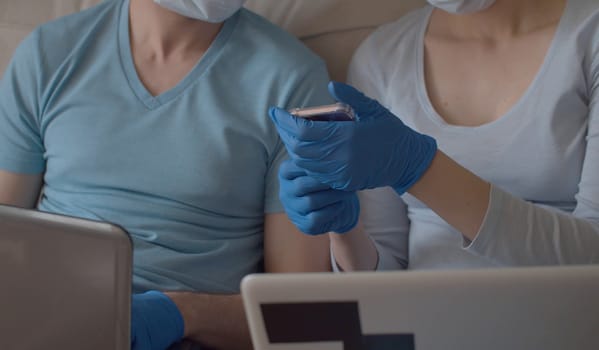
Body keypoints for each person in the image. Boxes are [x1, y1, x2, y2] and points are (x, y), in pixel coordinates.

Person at [0, 0, 333, 349]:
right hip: (47, 325)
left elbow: (298, 317)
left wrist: (184, 313)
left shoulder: (293, 82)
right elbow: (7, 240)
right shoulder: (49, 54)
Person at [270, 0, 599, 272]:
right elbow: (384, 276)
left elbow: (592, 260)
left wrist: (422, 170)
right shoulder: (383, 57)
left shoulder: (588, 34)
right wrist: (344, 230)